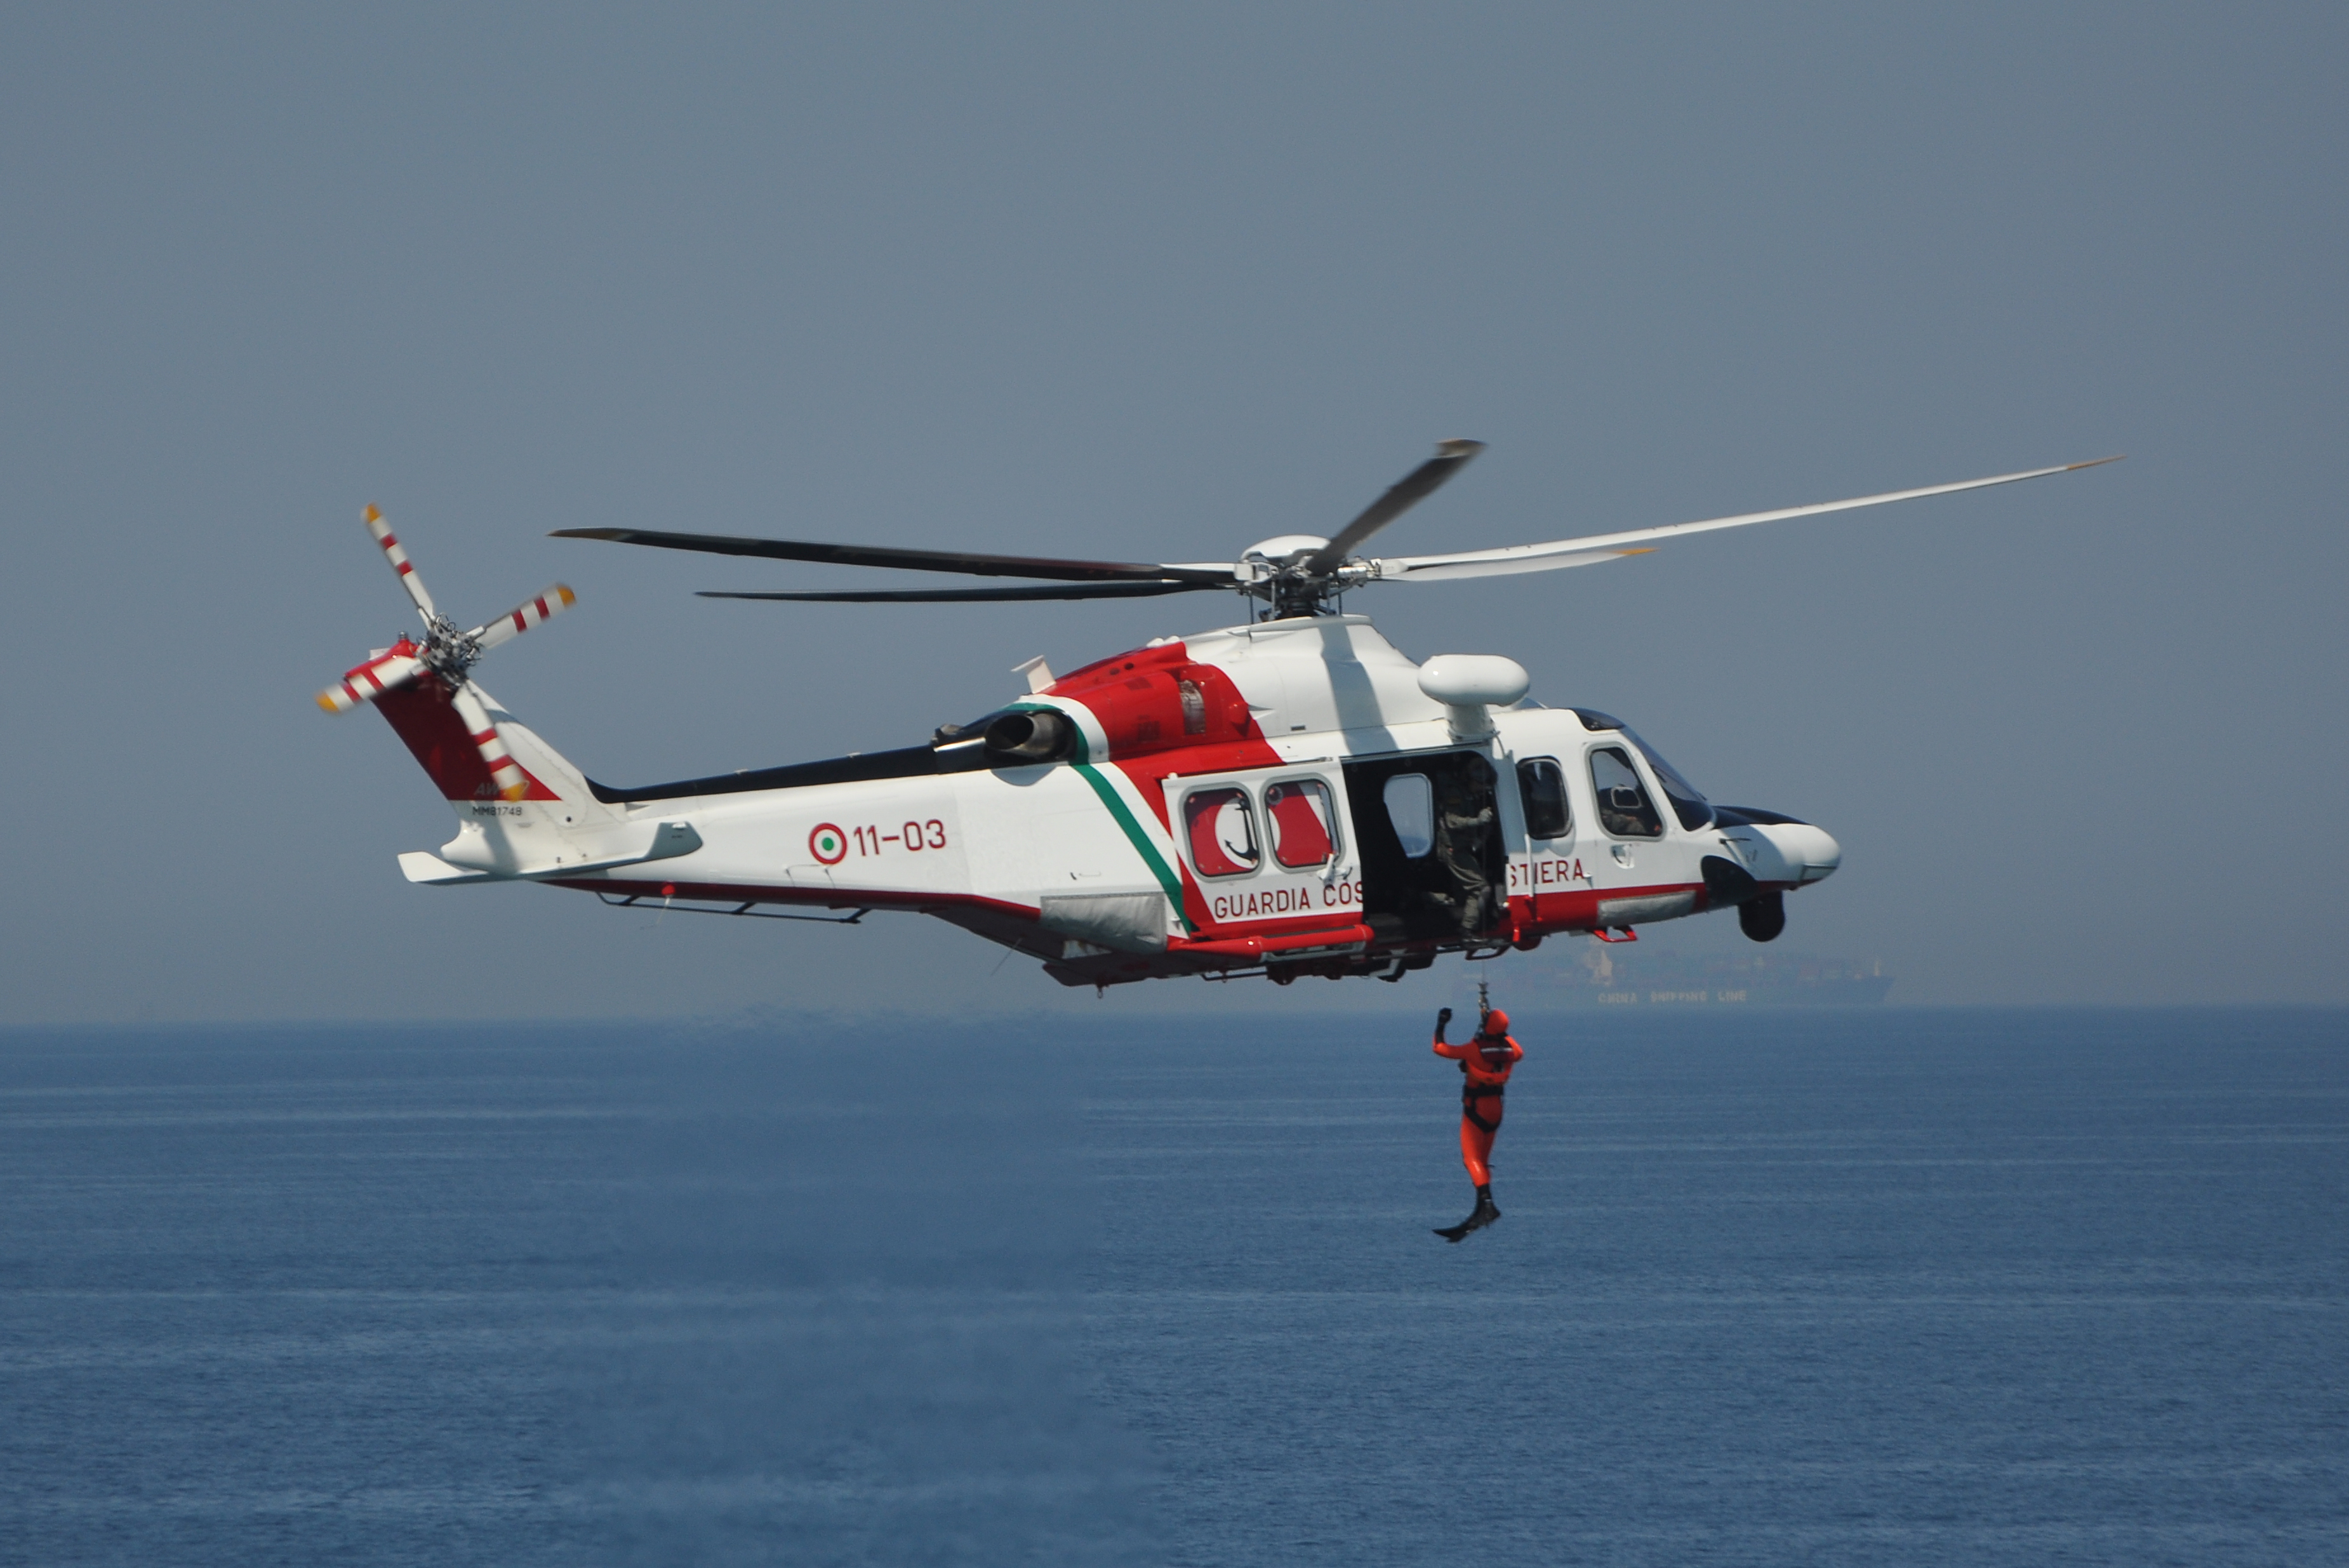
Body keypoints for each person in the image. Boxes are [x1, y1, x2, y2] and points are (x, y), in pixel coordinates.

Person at [1430, 1003, 1522, 1241]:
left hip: (1476, 1109)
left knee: (1471, 1159)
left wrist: (1441, 1023)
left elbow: (1440, 1048)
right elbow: (1518, 1051)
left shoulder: (1474, 1050)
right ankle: (1481, 1209)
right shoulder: (1508, 1050)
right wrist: (1500, 1032)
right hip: (1496, 1110)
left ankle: (1488, 1206)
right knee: (1483, 1161)